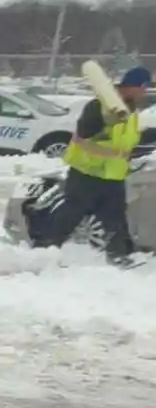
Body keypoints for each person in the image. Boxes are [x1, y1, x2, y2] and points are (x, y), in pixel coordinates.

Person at [58, 64, 148, 263]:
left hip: (112, 176)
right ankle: (44, 250)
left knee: (115, 218)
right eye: (143, 87)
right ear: (132, 86)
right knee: (70, 215)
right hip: (87, 173)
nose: (145, 92)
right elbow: (84, 131)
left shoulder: (131, 113)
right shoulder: (100, 106)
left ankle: (119, 256)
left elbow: (126, 144)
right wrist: (106, 120)